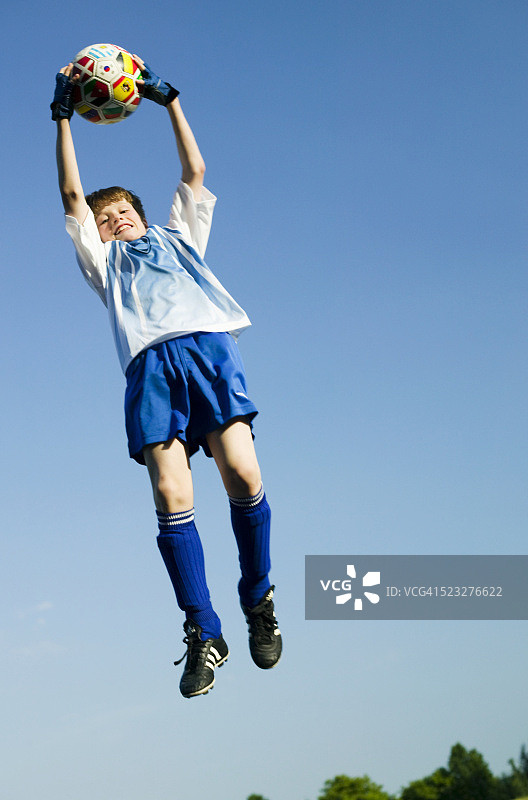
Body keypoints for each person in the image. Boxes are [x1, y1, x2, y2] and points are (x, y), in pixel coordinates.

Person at [52, 54, 282, 698]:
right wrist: (63, 118)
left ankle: (258, 600)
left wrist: (168, 102)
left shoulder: (180, 236)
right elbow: (73, 195)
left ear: (141, 212)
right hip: (151, 369)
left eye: (123, 210)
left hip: (208, 352)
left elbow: (195, 170)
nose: (116, 218)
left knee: (243, 475)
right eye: (106, 218)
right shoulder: (106, 265)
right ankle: (203, 631)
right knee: (172, 497)